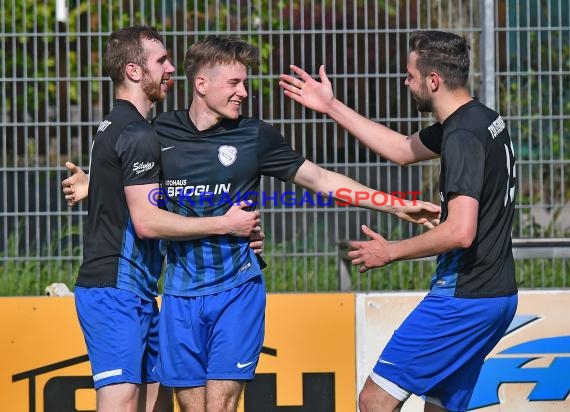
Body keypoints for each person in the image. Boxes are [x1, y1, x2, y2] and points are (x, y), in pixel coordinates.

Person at [151, 35, 440, 412]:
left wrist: (396, 206)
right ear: (201, 84)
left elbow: (321, 179)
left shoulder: (255, 135)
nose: (244, 92)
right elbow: (130, 186)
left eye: (245, 83)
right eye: (234, 83)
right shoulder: (159, 133)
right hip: (178, 294)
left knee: (219, 406)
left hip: (236, 289)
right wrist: (94, 183)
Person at [279, 30, 518, 411]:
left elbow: (460, 231)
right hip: (498, 296)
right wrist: (331, 106)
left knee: (374, 399)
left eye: (410, 74)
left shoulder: (462, 136)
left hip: (463, 299)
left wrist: (390, 252)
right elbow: (401, 150)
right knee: (438, 404)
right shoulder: (482, 119)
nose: (405, 81)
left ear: (433, 80)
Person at [68, 26, 262, 412]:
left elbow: (129, 183)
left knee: (157, 404)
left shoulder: (120, 125)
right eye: (161, 61)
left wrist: (94, 183)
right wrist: (225, 224)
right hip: (113, 289)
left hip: (140, 291)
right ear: (135, 71)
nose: (171, 68)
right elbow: (146, 222)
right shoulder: (138, 132)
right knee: (121, 404)